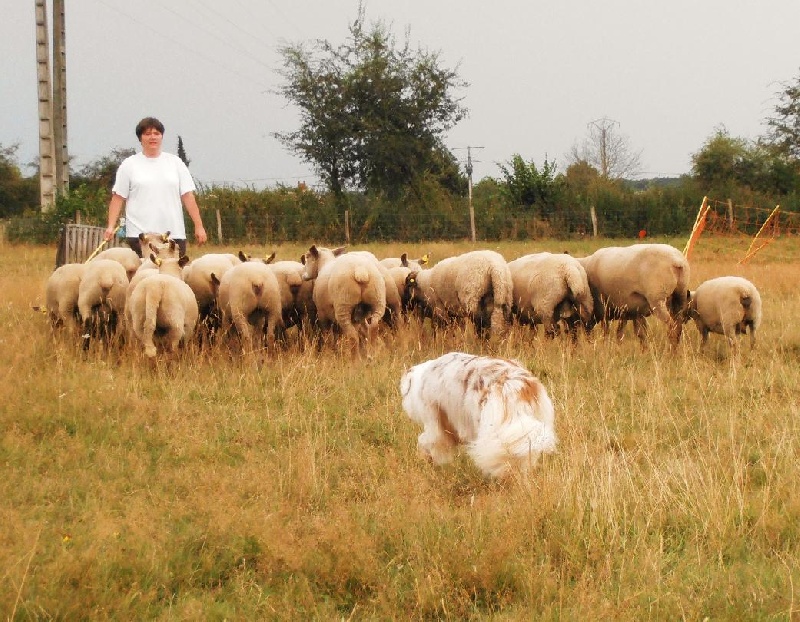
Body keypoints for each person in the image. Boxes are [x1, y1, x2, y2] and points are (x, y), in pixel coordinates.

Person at [103, 116, 207, 257]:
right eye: (147, 134)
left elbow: (188, 196)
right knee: (144, 277)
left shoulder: (175, 163)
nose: (152, 137)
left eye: (156, 133)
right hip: (140, 236)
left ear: (161, 136)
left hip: (173, 234)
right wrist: (110, 226)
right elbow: (118, 197)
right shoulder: (129, 165)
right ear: (140, 138)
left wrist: (199, 226)